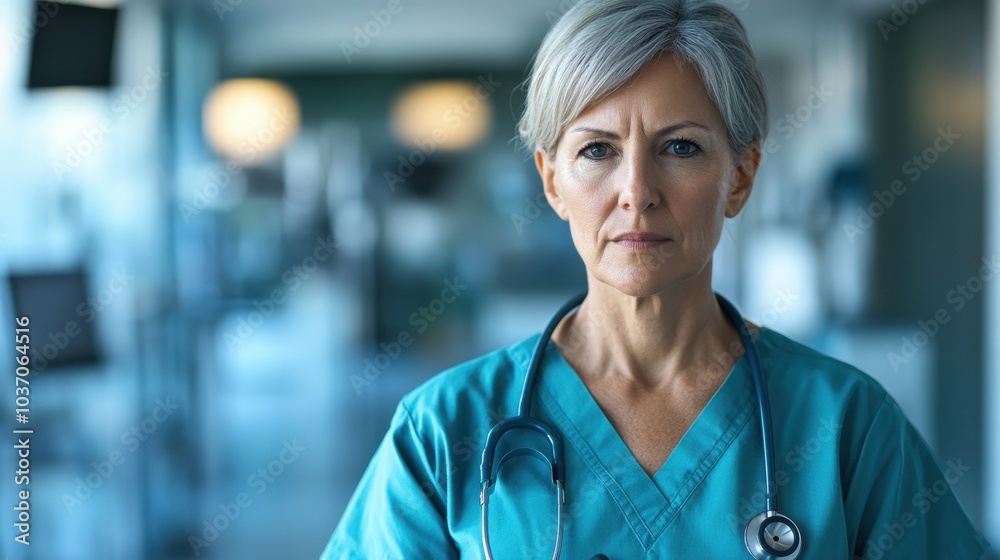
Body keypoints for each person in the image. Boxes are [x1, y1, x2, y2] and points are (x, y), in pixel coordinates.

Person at [321, 0, 990, 558]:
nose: (636, 192)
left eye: (680, 148)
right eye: (597, 151)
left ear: (742, 176)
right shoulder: (444, 431)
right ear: (552, 180)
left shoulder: (846, 424)